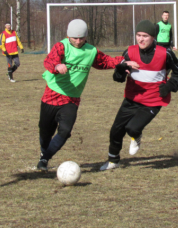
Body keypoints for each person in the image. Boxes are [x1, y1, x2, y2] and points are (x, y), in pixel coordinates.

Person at [37, 19, 139, 171]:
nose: (78, 41)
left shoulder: (91, 51)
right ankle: (44, 152)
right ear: (68, 36)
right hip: (52, 94)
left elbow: (105, 61)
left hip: (72, 99)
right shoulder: (61, 46)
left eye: (82, 38)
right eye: (75, 38)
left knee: (65, 131)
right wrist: (57, 66)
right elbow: (50, 60)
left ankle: (44, 160)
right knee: (45, 132)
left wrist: (123, 62)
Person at [100, 20, 178, 171]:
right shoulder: (129, 52)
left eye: (145, 36)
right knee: (116, 130)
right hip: (131, 99)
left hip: (153, 101)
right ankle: (113, 161)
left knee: (132, 128)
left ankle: (136, 136)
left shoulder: (165, 53)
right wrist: (120, 70)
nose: (141, 39)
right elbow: (118, 78)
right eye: (138, 35)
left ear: (153, 37)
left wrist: (170, 86)